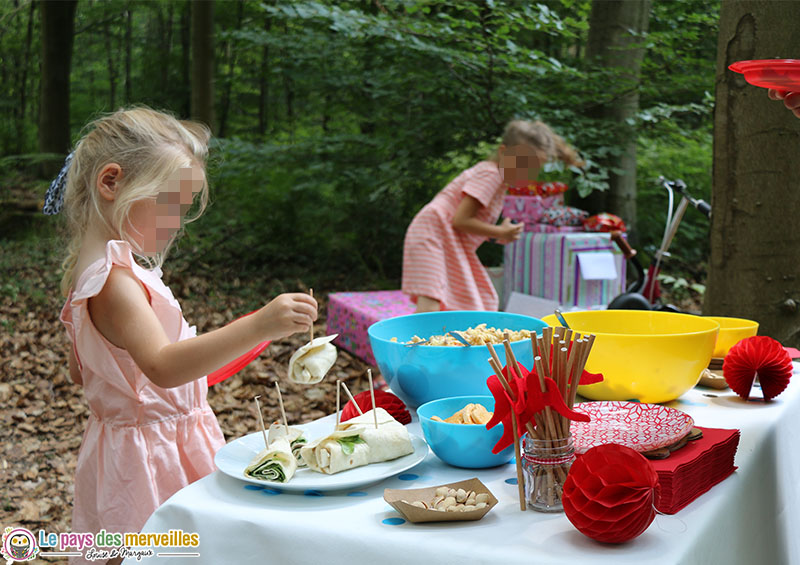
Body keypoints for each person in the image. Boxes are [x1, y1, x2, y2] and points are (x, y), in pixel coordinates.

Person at [49, 107, 317, 565]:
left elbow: (83, 372)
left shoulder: (91, 272)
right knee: (162, 549)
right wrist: (259, 324)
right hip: (151, 460)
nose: (177, 221)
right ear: (111, 183)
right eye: (170, 203)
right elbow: (163, 367)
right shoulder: (115, 281)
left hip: (133, 449)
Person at [402, 120, 583, 312]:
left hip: (444, 236)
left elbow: (468, 223)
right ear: (504, 152)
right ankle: (414, 341)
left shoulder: (497, 179)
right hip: (433, 233)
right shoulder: (491, 175)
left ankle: (416, 338)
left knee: (459, 300)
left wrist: (496, 234)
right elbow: (461, 220)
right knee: (433, 298)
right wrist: (499, 231)